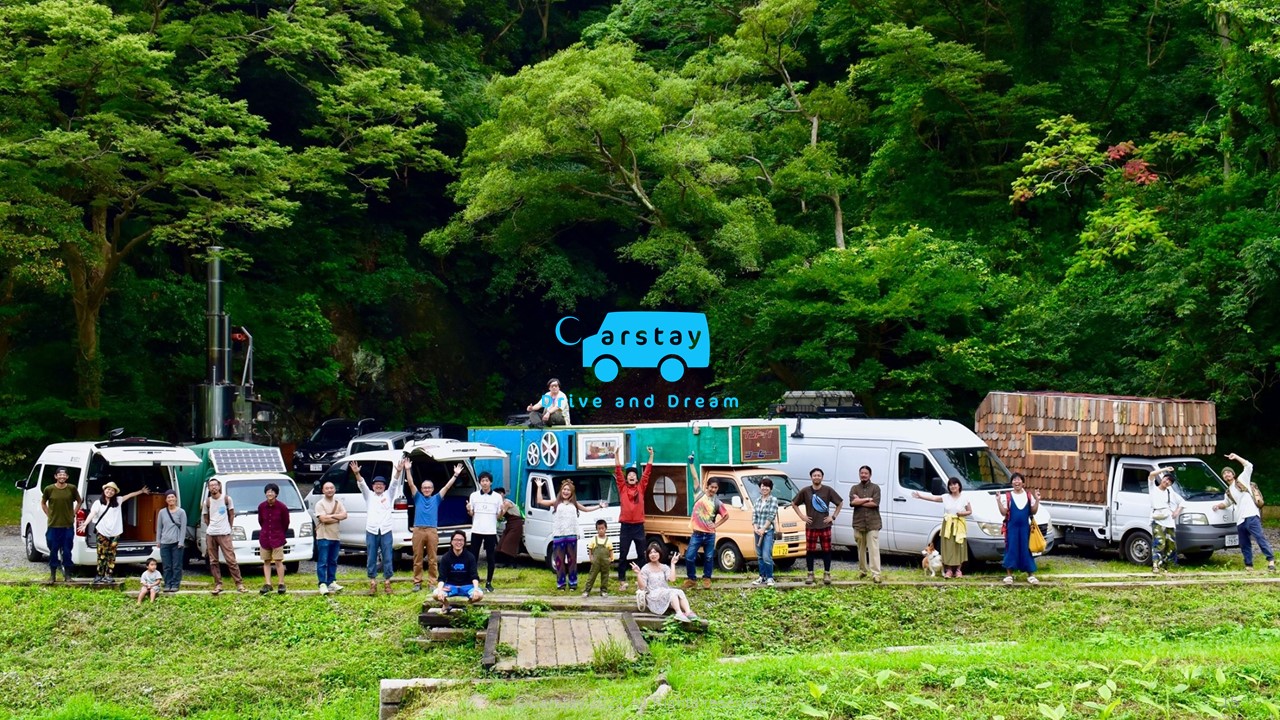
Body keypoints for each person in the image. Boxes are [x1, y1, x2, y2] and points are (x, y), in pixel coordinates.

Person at [534, 477, 604, 591]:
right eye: (564, 489)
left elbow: (586, 509)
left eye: (568, 490)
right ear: (561, 490)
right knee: (559, 561)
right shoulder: (556, 503)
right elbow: (540, 501)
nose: (566, 492)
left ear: (572, 492)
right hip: (558, 535)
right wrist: (539, 487)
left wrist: (599, 506)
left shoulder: (574, 504)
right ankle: (561, 584)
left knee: (572, 560)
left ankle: (573, 583)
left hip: (572, 535)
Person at [1214, 453, 1276, 572]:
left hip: (1251, 515)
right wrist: (1217, 506)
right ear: (1223, 477)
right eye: (1224, 473)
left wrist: (1236, 457)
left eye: (1228, 472)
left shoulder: (1242, 480)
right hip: (1240, 520)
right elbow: (1226, 503)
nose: (1226, 474)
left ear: (1233, 474)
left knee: (1259, 538)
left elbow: (1249, 466)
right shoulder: (1228, 492)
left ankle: (1271, 561)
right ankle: (1249, 566)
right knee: (1244, 544)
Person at [79, 482, 150, 584]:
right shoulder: (98, 503)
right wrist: (85, 524)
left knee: (111, 555)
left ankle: (108, 575)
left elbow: (130, 495)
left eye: (112, 490)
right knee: (101, 554)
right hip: (102, 532)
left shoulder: (118, 500)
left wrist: (141, 491)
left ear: (115, 492)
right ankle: (99, 575)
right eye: (108, 489)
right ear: (104, 490)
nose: (110, 492)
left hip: (115, 533)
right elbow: (92, 513)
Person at [406, 461, 462, 592]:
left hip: (432, 530)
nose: (426, 489)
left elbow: (447, 487)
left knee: (432, 558)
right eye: (424, 487)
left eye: (429, 488)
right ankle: (417, 582)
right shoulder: (417, 497)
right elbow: (410, 484)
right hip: (418, 530)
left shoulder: (436, 498)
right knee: (417, 558)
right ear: (421, 489)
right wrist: (408, 470)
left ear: (432, 489)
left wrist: (455, 475)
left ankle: (432, 582)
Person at [351, 460, 404, 595]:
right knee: (371, 557)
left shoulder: (388, 495)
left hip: (386, 530)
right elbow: (362, 484)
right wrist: (357, 473)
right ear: (373, 486)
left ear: (384, 486)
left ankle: (387, 582)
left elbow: (394, 484)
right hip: (372, 530)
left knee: (387, 556)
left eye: (381, 484)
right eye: (376, 484)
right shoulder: (369, 495)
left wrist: (398, 471)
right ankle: (373, 582)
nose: (379, 486)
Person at [912, 478, 973, 578]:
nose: (953, 486)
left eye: (955, 484)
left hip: (959, 524)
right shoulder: (946, 497)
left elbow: (970, 511)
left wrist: (962, 513)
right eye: (951, 485)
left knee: (959, 547)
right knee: (948, 547)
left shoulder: (964, 498)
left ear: (959, 486)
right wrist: (920, 496)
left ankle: (958, 570)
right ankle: (948, 570)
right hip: (948, 524)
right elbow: (934, 498)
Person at [793, 467, 843, 585]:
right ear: (811, 477)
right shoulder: (805, 491)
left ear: (822, 477)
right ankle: (810, 574)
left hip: (825, 525)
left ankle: (827, 573)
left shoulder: (828, 490)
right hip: (811, 526)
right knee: (810, 551)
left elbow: (840, 503)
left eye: (819, 475)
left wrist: (833, 517)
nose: (817, 477)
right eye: (814, 475)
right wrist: (802, 516)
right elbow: (794, 503)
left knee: (827, 550)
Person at [615, 446, 653, 591]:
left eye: (634, 475)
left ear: (637, 478)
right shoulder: (622, 487)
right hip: (625, 526)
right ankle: (622, 581)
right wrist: (616, 456)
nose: (631, 476)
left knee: (641, 554)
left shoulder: (641, 487)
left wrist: (651, 456)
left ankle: (641, 580)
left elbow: (647, 473)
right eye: (629, 474)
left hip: (638, 526)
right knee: (623, 554)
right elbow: (618, 472)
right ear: (627, 477)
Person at [684, 473, 729, 590]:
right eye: (711, 487)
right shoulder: (699, 495)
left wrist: (716, 525)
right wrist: (692, 464)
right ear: (707, 487)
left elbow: (726, 515)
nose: (713, 489)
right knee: (689, 556)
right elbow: (694, 478)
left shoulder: (717, 502)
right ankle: (691, 579)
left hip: (710, 534)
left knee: (708, 557)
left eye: (716, 487)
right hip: (697, 534)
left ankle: (707, 578)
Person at [633, 542, 698, 622]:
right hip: (653, 595)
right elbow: (642, 587)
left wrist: (673, 564)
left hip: (664, 592)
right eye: (650, 553)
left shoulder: (664, 567)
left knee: (679, 591)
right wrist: (638, 573)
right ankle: (678, 613)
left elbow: (672, 579)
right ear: (648, 555)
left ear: (659, 553)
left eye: (655, 552)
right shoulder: (645, 568)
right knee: (672, 592)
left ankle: (688, 612)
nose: (653, 555)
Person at [203, 479, 246, 595]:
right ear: (208, 488)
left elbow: (232, 514)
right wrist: (211, 526)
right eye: (211, 486)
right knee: (213, 561)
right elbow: (205, 517)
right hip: (211, 534)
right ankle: (218, 584)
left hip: (225, 533)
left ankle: (239, 583)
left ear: (219, 486)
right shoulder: (207, 501)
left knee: (231, 559)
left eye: (215, 485)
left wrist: (229, 528)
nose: (213, 488)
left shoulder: (227, 499)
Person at [998, 472, 1041, 585]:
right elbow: (1004, 513)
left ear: (1023, 482)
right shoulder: (1007, 496)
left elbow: (1033, 511)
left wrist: (1037, 500)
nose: (1017, 482)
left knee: (1026, 549)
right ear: (1011, 482)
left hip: (1025, 528)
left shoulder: (1028, 495)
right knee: (1011, 549)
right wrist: (998, 501)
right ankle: (1009, 576)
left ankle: (1031, 575)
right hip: (1011, 528)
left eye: (1019, 479)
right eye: (1014, 480)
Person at [41, 467, 81, 583]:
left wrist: (74, 513)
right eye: (60, 475)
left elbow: (79, 501)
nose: (62, 477)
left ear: (67, 477)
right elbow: (43, 503)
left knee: (67, 550)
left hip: (67, 525)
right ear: (56, 476)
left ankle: (68, 575)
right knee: (53, 549)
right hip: (53, 525)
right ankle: (52, 575)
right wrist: (49, 514)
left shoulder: (72, 488)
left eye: (64, 475)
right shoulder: (49, 489)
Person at [467, 471, 504, 593]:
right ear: (479, 482)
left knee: (490, 557)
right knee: (473, 557)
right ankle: (473, 580)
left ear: (491, 482)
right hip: (476, 529)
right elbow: (471, 513)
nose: (485, 483)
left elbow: (499, 516)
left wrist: (502, 511)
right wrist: (468, 510)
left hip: (490, 531)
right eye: (482, 480)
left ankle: (489, 582)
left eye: (487, 480)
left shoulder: (497, 497)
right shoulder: (474, 496)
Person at [847, 466, 883, 584]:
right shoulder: (854, 488)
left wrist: (859, 502)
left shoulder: (875, 488)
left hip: (873, 523)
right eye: (861, 473)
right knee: (860, 549)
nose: (863, 475)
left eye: (866, 473)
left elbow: (875, 503)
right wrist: (867, 499)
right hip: (858, 523)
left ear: (870, 475)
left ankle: (876, 574)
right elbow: (852, 503)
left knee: (874, 549)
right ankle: (863, 570)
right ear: (859, 474)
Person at [433, 530, 484, 612]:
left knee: (480, 595)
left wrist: (476, 589)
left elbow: (474, 576)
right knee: (435, 594)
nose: (458, 542)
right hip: (450, 586)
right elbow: (442, 578)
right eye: (456, 540)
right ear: (452, 542)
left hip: (467, 586)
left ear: (464, 542)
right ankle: (446, 605)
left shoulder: (470, 557)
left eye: (461, 540)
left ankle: (467, 606)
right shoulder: (446, 557)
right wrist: (439, 590)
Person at [313, 480, 349, 595]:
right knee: (322, 561)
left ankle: (332, 581)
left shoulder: (338, 503)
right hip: (323, 536)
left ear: (335, 489)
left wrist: (331, 516)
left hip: (335, 536)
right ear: (323, 490)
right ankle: (322, 583)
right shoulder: (320, 504)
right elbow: (323, 519)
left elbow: (345, 515)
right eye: (327, 488)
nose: (329, 490)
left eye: (331, 488)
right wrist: (337, 517)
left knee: (333, 561)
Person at [1148, 466, 1183, 573]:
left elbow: (1182, 502)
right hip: (1157, 519)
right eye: (1166, 479)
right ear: (1162, 479)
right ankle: (1156, 565)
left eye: (1170, 482)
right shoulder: (1153, 488)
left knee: (1171, 545)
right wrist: (1164, 470)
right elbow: (1152, 474)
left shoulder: (1170, 492)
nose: (1167, 482)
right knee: (1159, 543)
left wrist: (1177, 512)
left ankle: (1167, 566)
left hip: (1169, 521)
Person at [257, 483, 290, 595]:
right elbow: (261, 521)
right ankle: (268, 584)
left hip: (277, 537)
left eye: (272, 491)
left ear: (276, 494)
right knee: (266, 561)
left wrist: (280, 533)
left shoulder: (282, 507)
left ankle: (281, 583)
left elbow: (286, 523)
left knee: (278, 560)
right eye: (268, 491)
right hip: (265, 537)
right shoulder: (261, 506)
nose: (269, 493)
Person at [154, 489, 187, 592]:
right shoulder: (162, 512)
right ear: (166, 500)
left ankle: (175, 584)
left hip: (177, 543)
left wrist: (181, 542)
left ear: (176, 498)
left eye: (172, 497)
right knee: (166, 565)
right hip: (164, 542)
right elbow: (159, 527)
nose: (171, 499)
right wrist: (158, 540)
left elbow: (183, 528)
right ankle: (167, 583)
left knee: (176, 565)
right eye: (169, 497)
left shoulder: (181, 512)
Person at [751, 477, 780, 587]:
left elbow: (771, 516)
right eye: (762, 486)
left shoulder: (773, 500)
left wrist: (763, 529)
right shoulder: (757, 500)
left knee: (766, 555)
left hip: (767, 531)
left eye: (767, 486)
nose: (764, 488)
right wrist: (755, 528)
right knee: (759, 556)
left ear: (770, 488)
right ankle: (761, 577)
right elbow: (754, 515)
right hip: (757, 531)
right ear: (759, 488)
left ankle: (770, 577)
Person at [582, 519, 614, 597]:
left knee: (605, 576)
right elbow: (590, 549)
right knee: (592, 576)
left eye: (602, 528)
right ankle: (587, 590)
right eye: (599, 529)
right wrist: (591, 558)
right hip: (595, 562)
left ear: (606, 528)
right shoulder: (594, 539)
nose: (601, 530)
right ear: (597, 529)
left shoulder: (608, 540)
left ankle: (603, 591)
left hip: (605, 562)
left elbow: (611, 550)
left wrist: (611, 559)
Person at [494, 487, 524, 569]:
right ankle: (504, 562)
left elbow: (500, 515)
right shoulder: (500, 503)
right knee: (501, 543)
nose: (499, 495)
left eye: (501, 493)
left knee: (509, 544)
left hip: (516, 524)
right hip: (509, 524)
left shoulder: (506, 503)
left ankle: (513, 563)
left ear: (504, 494)